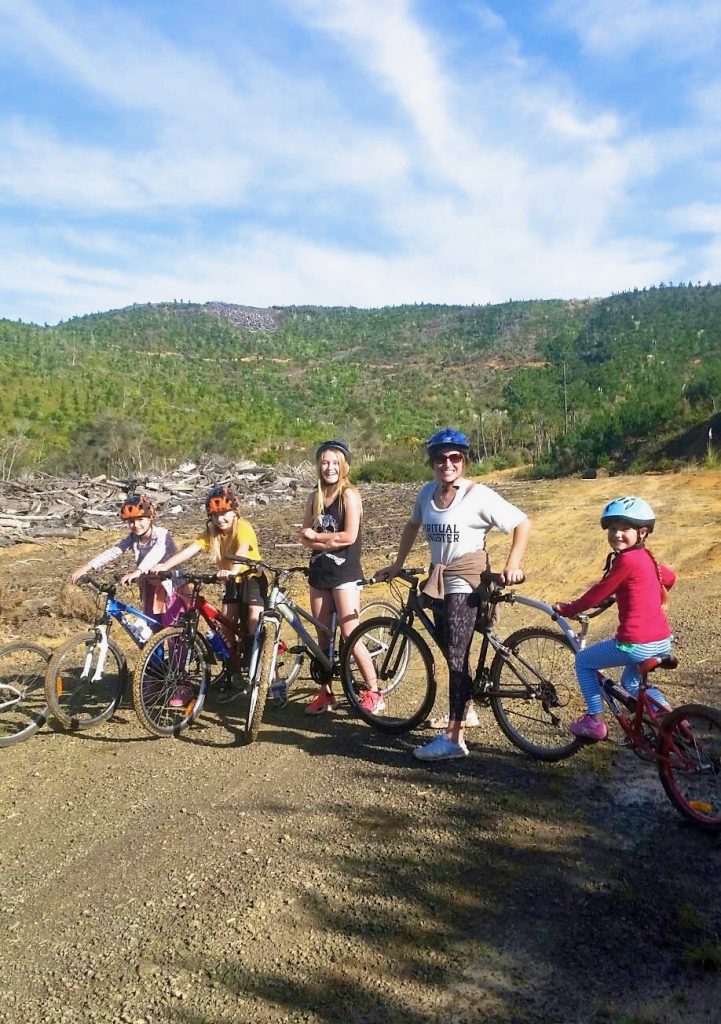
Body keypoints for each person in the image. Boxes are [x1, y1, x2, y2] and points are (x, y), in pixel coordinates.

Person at [377, 429, 531, 761]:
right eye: (440, 458)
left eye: (455, 457)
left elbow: (521, 523)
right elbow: (411, 526)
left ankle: (454, 739)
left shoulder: (479, 495)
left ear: (464, 461)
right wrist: (397, 564)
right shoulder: (426, 493)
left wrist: (513, 564)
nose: (447, 463)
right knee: (451, 652)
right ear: (431, 462)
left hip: (467, 580)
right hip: (439, 579)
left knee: (457, 657)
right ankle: (467, 710)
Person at [552, 496, 675, 741]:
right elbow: (669, 578)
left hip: (636, 643)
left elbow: (598, 593)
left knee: (584, 661)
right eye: (612, 529)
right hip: (662, 641)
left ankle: (594, 721)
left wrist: (568, 609)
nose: (617, 534)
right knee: (630, 683)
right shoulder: (647, 557)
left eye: (624, 529)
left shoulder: (627, 560)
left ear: (642, 532)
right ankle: (672, 721)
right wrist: (633, 593)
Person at [153, 485, 265, 704]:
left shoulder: (243, 526)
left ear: (235, 512)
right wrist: (165, 565)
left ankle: (263, 670)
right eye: (215, 515)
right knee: (225, 627)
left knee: (254, 624)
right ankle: (233, 675)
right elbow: (191, 549)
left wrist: (232, 570)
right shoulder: (212, 533)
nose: (220, 519)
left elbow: (242, 548)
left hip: (251, 578)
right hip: (231, 583)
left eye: (224, 513)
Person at [299, 440, 383, 715]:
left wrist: (320, 539)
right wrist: (323, 542)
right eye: (325, 462)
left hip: (345, 574)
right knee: (322, 636)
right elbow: (304, 536)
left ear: (344, 465)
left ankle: (374, 690)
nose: (330, 467)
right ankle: (325, 693)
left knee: (350, 633)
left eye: (335, 462)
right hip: (319, 573)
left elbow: (349, 536)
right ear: (318, 465)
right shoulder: (314, 497)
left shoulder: (349, 495)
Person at [71, 494, 186, 625]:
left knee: (173, 631)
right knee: (153, 629)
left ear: (150, 518)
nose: (136, 525)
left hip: (171, 588)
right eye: (131, 521)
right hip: (151, 587)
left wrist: (138, 571)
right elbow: (115, 550)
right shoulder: (133, 537)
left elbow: (156, 554)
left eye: (140, 519)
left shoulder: (162, 534)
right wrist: (87, 567)